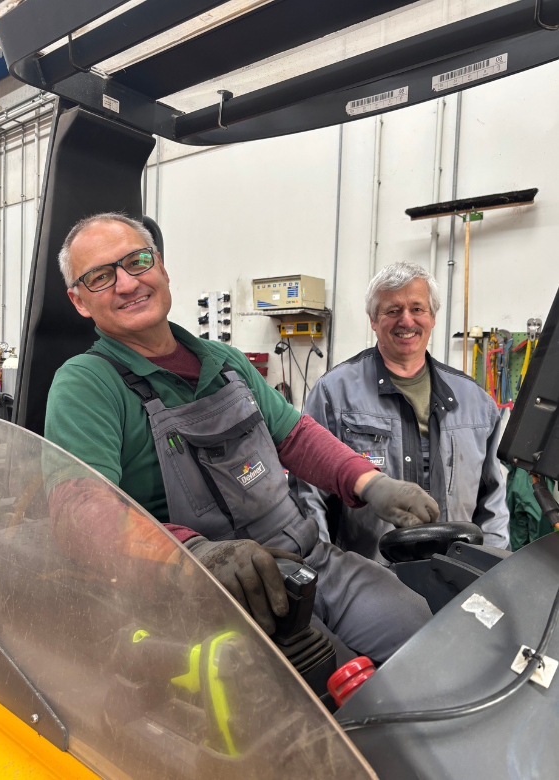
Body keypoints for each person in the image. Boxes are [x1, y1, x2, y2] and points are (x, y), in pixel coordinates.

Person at [44, 214, 439, 665]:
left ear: (162, 268)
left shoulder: (225, 362)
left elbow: (294, 435)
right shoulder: (87, 383)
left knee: (419, 630)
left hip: (309, 558)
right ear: (79, 301)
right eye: (100, 276)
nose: (127, 283)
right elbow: (80, 511)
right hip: (213, 592)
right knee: (336, 681)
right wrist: (192, 554)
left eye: (137, 261)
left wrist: (370, 483)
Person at [293, 262, 510, 561]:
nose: (406, 321)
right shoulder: (334, 394)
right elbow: (309, 497)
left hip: (458, 582)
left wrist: (493, 571)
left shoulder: (476, 402)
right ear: (373, 319)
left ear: (433, 317)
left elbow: (494, 505)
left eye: (417, 309)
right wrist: (326, 575)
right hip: (369, 582)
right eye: (393, 310)